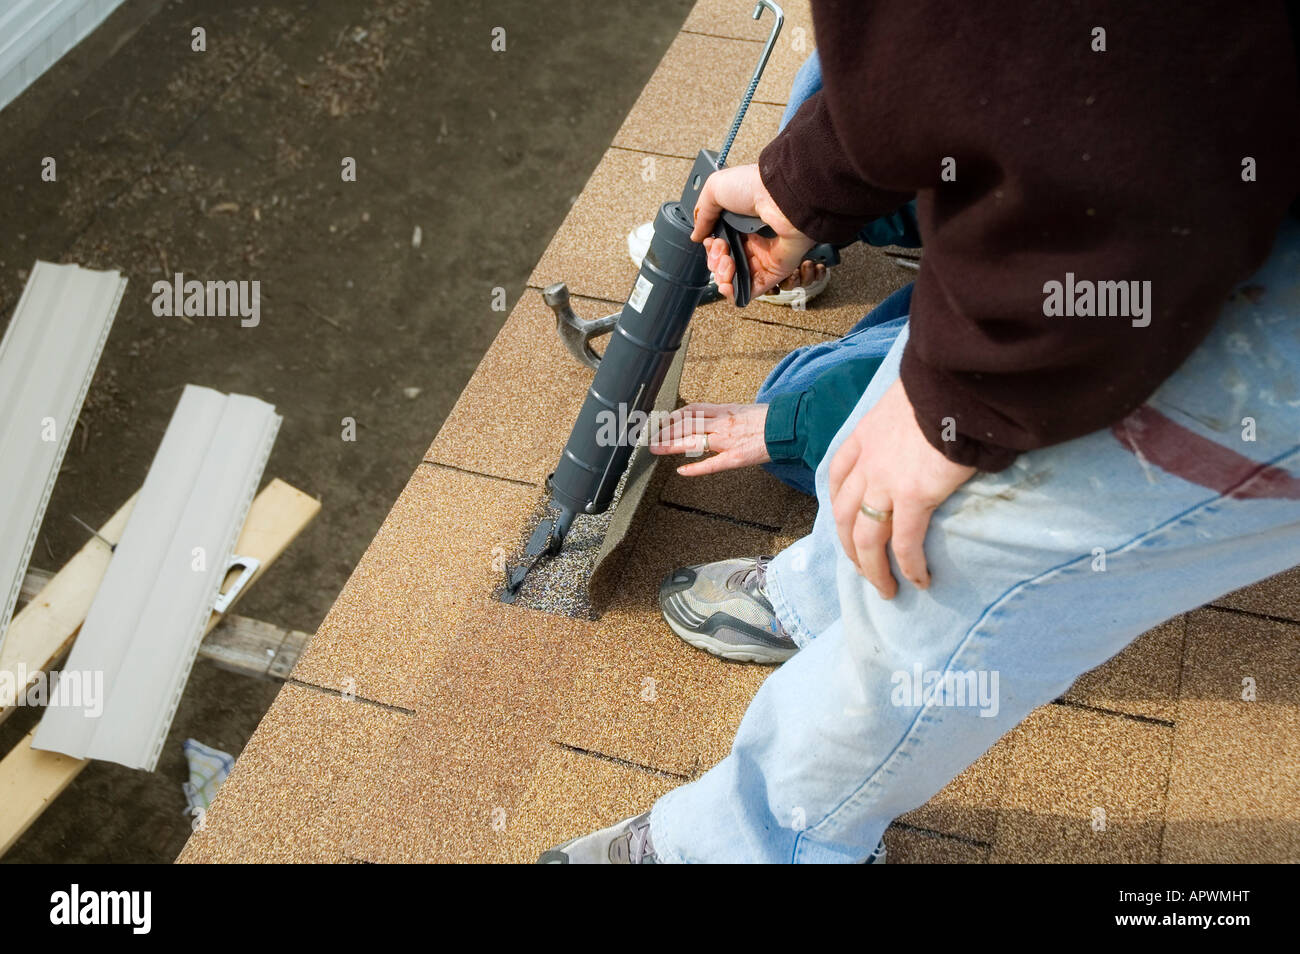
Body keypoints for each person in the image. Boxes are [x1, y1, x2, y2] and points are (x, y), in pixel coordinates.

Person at [541, 1, 1300, 863]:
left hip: (1184, 191)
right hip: (1167, 153)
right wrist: (807, 181)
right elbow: (966, 37)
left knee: (958, 536)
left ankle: (761, 842)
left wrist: (966, 400)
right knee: (885, 432)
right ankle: (822, 598)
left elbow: (1133, 116)